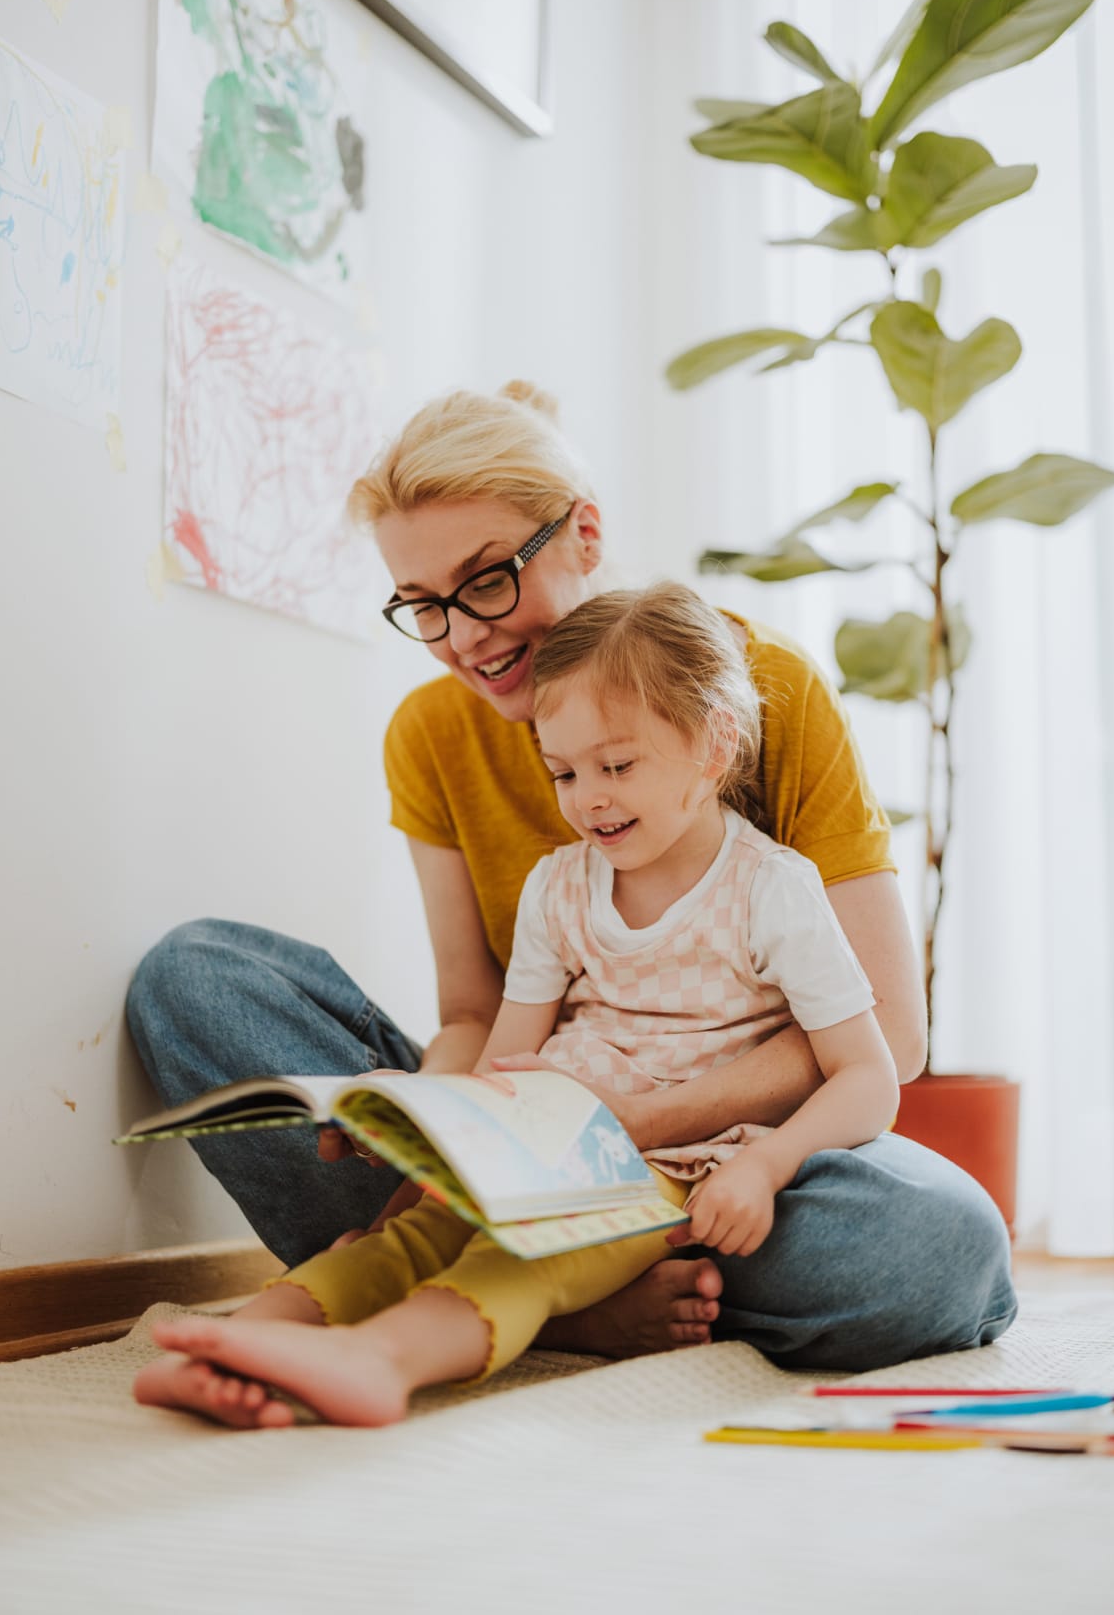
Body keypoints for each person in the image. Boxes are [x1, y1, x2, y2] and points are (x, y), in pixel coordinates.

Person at [126, 380, 1017, 1371]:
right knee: (194, 976)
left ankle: (522, 1287)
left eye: (487, 579)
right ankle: (557, 1298)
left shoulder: (759, 692)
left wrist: (616, 1126)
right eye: (424, 605)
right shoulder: (431, 734)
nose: (464, 635)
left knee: (943, 1246)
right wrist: (433, 1122)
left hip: (717, 1150)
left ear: (584, 532)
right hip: (536, 1105)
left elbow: (886, 1034)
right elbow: (471, 1012)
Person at [135, 584, 903, 1427]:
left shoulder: (772, 891)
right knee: (402, 1240)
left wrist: (767, 1162)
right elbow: (504, 1056)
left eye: (617, 766)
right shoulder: (560, 885)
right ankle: (234, 1346)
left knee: (524, 1256)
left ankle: (381, 1361)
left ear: (715, 743)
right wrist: (422, 1137)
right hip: (536, 1134)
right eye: (564, 772)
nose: (589, 800)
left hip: (665, 1166)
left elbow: (869, 1074)